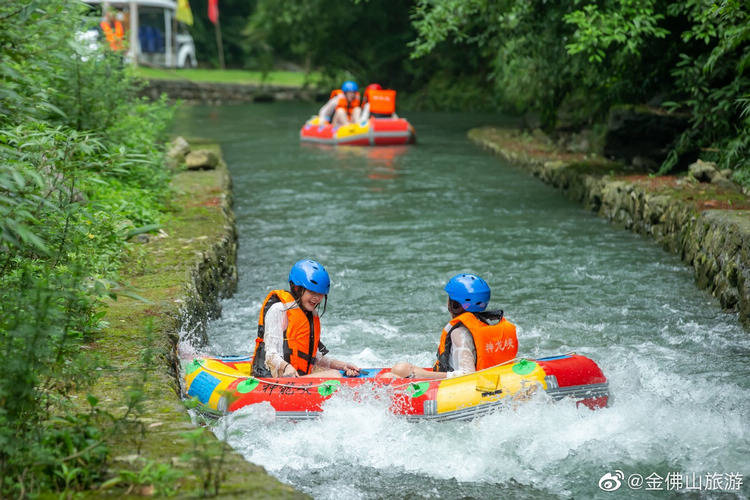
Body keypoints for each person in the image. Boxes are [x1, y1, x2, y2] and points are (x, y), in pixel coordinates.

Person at [384, 273, 518, 380]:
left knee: (400, 370)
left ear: (454, 305)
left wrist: (420, 374)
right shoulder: (486, 325)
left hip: (466, 389)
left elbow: (467, 374)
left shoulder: (460, 333)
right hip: (494, 379)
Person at [251, 259, 360, 378]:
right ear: (297, 288)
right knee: (334, 375)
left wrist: (342, 365)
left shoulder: (311, 315)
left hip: (297, 377)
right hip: (272, 377)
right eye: (312, 292)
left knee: (336, 372)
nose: (317, 298)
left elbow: (312, 357)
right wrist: (287, 367)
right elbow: (270, 355)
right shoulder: (279, 310)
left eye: (320, 293)